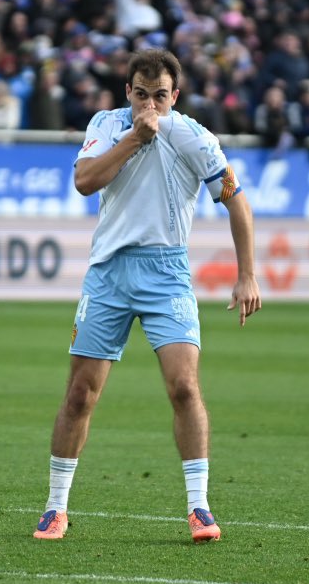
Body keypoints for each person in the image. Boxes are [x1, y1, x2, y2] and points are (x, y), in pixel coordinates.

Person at [33, 49, 262, 544]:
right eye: (142, 95)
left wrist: (247, 274)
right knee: (80, 394)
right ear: (128, 93)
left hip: (167, 273)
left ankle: (199, 507)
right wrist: (135, 138)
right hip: (109, 273)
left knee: (184, 388)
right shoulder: (108, 124)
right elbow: (83, 181)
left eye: (161, 96)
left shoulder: (193, 136)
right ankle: (55, 508)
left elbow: (237, 201)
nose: (151, 105)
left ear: (175, 97)